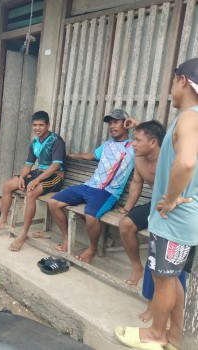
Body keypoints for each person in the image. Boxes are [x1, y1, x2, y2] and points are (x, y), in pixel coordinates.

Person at [115, 58, 198, 349]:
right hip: (183, 218)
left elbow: (186, 162)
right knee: (171, 278)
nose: (171, 88)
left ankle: (155, 334)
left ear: (183, 81)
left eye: (174, 81)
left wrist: (172, 197)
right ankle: (174, 337)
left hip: (175, 218)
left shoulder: (190, 116)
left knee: (163, 279)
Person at [48, 109, 135, 263]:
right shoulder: (108, 144)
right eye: (110, 123)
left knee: (90, 215)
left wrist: (137, 124)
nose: (112, 126)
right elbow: (92, 155)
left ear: (126, 124)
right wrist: (73, 155)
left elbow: (156, 139)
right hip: (89, 186)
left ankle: (92, 248)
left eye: (116, 122)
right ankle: (67, 238)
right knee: (53, 203)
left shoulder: (134, 146)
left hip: (108, 192)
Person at [0, 111, 66, 251]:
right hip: (40, 173)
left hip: (55, 177)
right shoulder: (35, 142)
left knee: (31, 192)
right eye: (35, 125)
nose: (37, 128)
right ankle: (2, 221)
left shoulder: (56, 140)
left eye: (41, 125)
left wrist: (35, 180)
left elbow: (55, 166)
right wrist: (21, 177)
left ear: (48, 125)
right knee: (8, 186)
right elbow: (28, 164)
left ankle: (23, 234)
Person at [119, 120, 166, 286]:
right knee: (125, 225)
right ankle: (137, 267)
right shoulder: (138, 159)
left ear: (153, 143)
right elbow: (137, 184)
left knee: (160, 237)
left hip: (175, 207)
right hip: (155, 204)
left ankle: (159, 281)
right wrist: (127, 208)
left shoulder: (169, 157)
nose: (133, 144)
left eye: (138, 140)